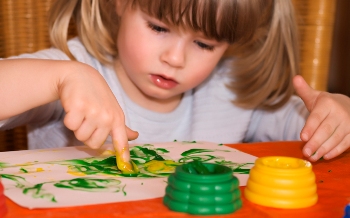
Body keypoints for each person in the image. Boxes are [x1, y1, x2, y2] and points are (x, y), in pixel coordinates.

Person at [0, 0, 349, 172]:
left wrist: (338, 116)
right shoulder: (74, 70)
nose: (175, 58)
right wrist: (62, 78)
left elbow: (311, 131)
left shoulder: (233, 93)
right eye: (158, 28)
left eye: (205, 45)